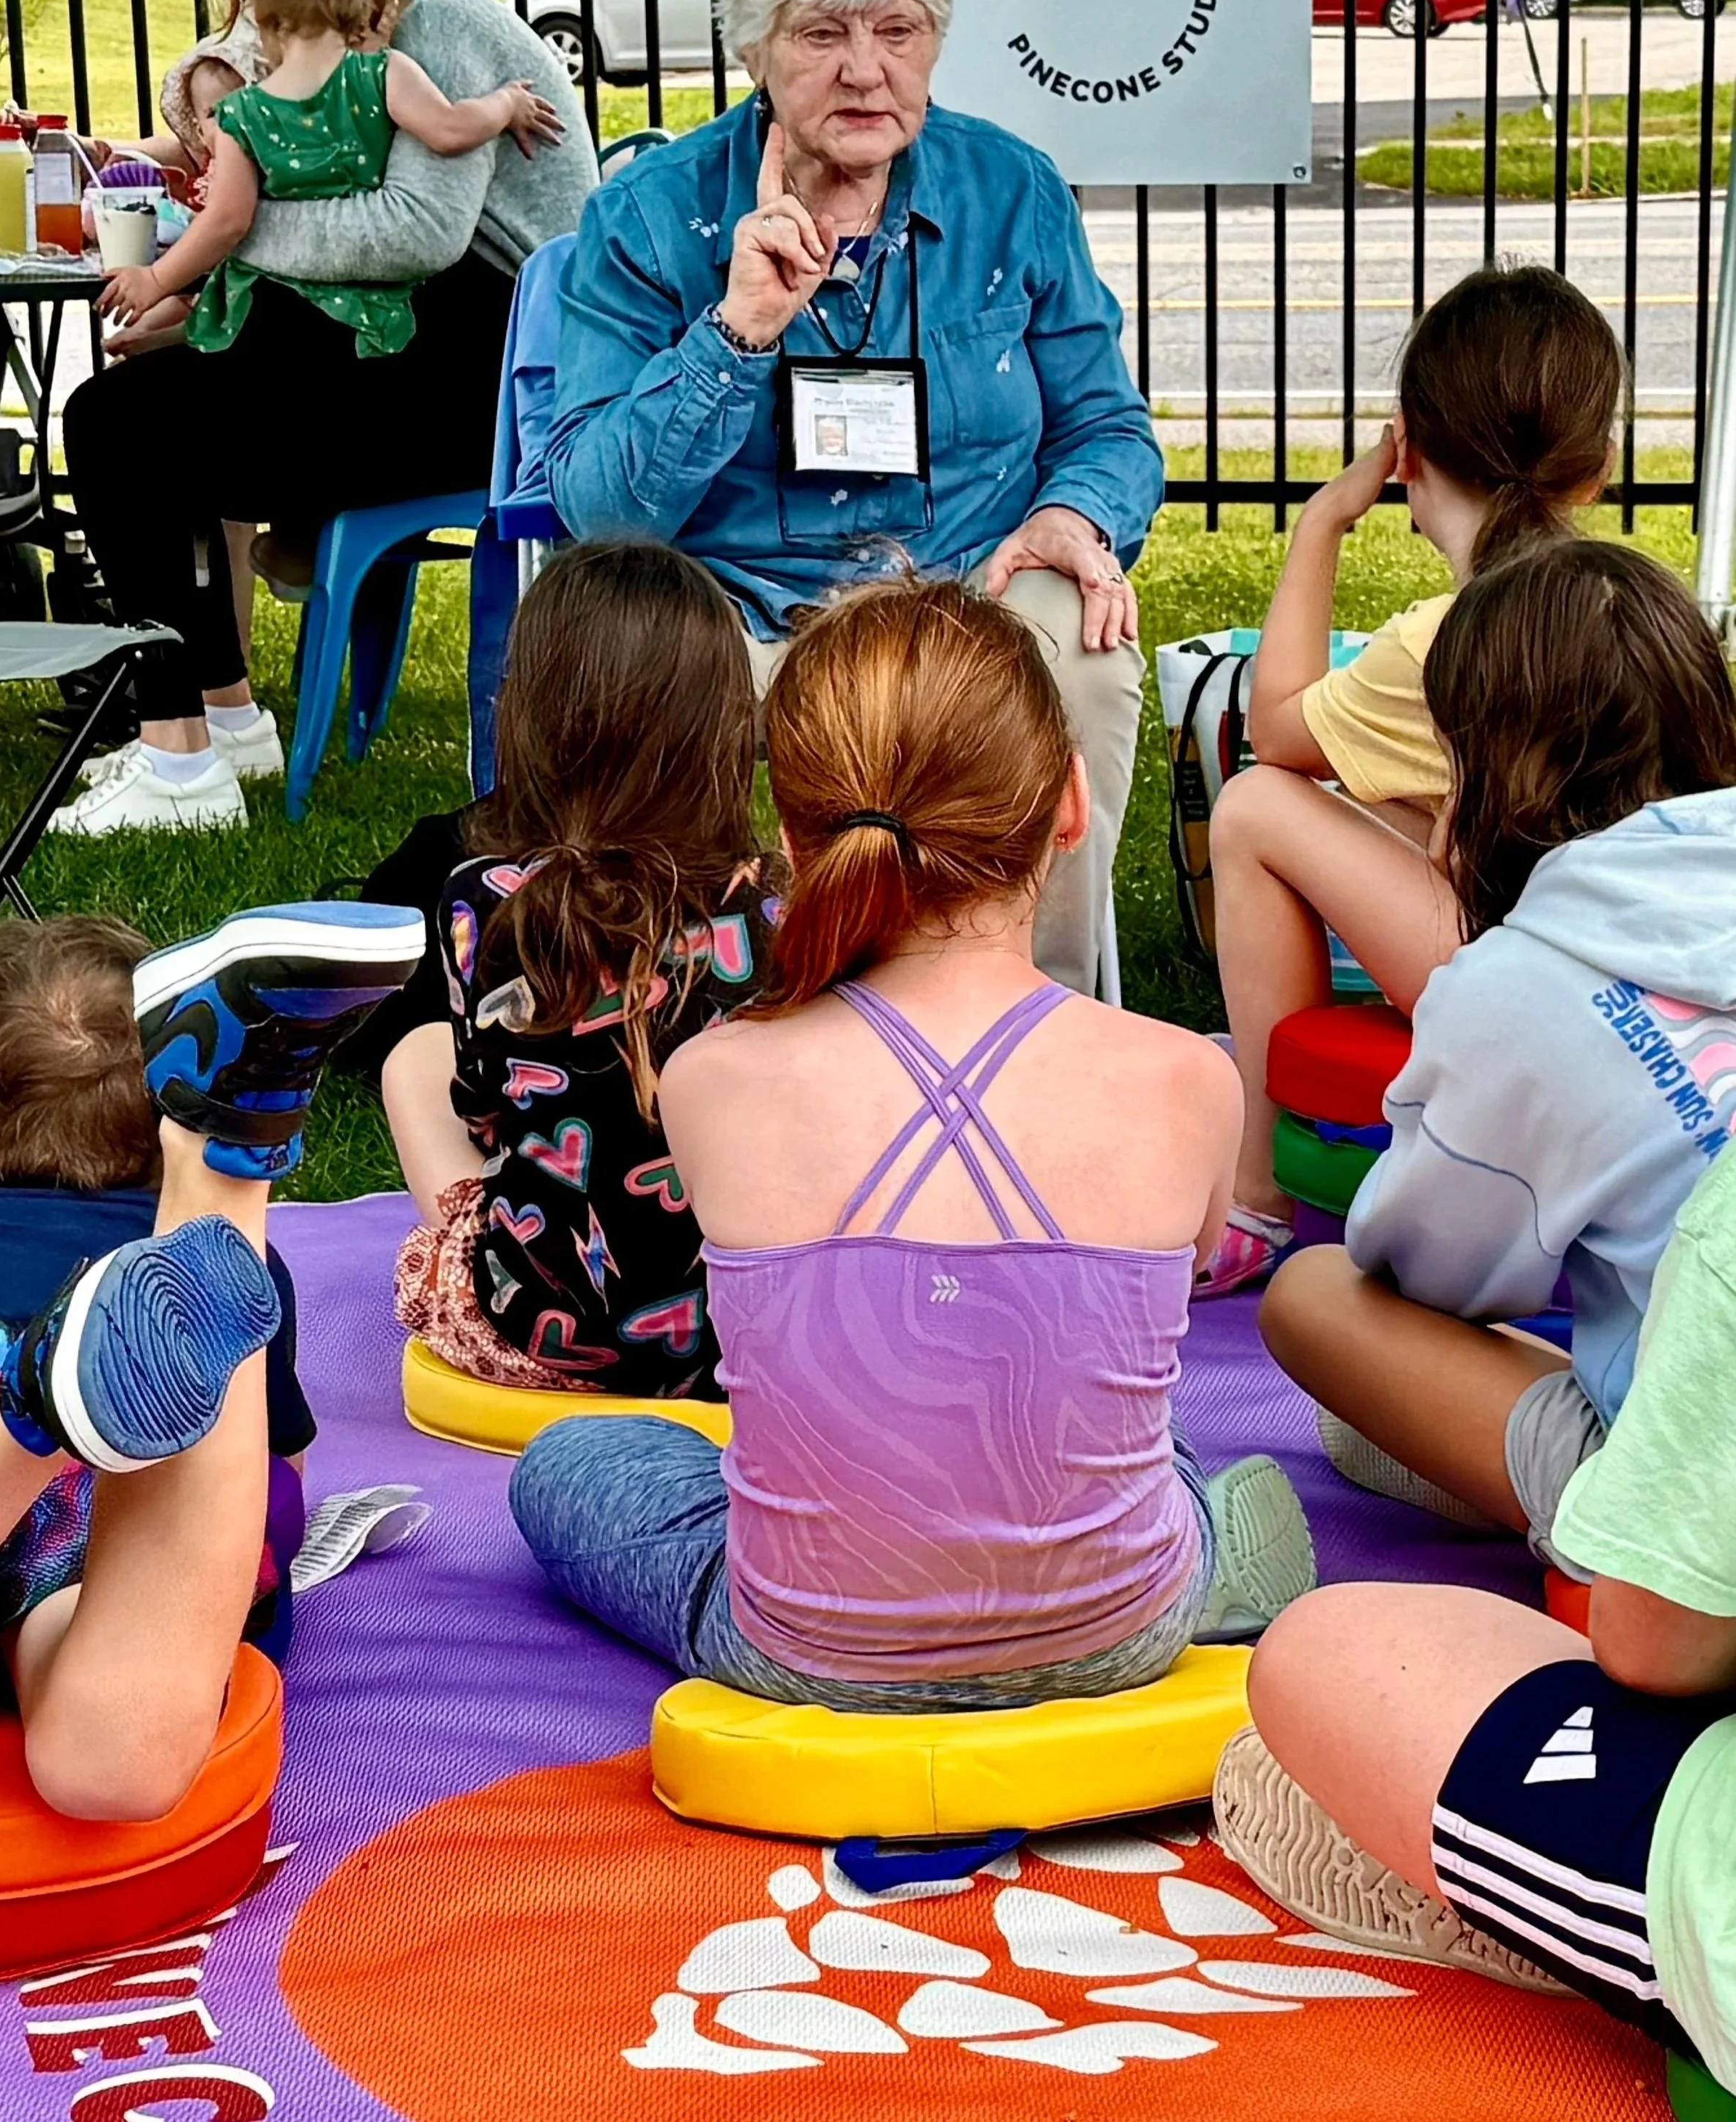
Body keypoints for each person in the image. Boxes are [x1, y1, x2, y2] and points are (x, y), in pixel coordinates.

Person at [510, 578, 1315, 1713]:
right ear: (1071, 805)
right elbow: (1157, 1289)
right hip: (1123, 1629)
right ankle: (1216, 1555)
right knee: (1145, 1419)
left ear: (794, 841)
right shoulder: (1193, 1079)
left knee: (568, 1467)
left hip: (808, 1653)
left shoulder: (708, 1081)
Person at [546, 0, 1161, 998]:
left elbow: (1110, 427)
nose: (867, 69)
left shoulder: (1013, 192)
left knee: (1078, 636)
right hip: (741, 615)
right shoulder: (647, 217)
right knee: (638, 653)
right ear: (752, 45)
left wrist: (1078, 514)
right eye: (824, 32)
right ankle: (714, 1027)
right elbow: (596, 512)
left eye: (899, 28)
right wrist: (735, 335)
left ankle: (1047, 1011)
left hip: (963, 601)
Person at [59, 0, 595, 837]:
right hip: (436, 343)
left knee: (119, 427)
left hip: (498, 371)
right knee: (139, 416)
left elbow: (413, 231)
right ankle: (220, 719)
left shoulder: (442, 26)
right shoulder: (377, 49)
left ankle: (181, 761)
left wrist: (229, 234)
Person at [1215, 1128, 1736, 2093]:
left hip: (1651, 1526)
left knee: (1318, 1644)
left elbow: (1414, 1250)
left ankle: (1509, 1894)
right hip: (1655, 1484)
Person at [1259, 538, 1736, 1565]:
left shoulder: (1517, 983)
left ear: (1474, 763)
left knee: (1313, 1298)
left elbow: (1427, 1275)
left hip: (1690, 1521)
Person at [0, 899, 421, 1816]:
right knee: (109, 1763)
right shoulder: (209, 1285)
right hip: (104, 1513)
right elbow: (285, 1468)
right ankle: (220, 1176)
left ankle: (26, 1408)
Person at [1200, 264, 1624, 1294]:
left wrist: (1321, 525)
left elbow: (1273, 732)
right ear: (1600, 465)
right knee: (1375, 792)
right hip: (1642, 975)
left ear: (1410, 451)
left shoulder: (1442, 641)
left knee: (1259, 805)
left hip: (1527, 976)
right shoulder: (1637, 611)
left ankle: (1255, 1193)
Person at [389, 541, 772, 1396]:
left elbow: (482, 1112)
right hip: (749, 1347)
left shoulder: (482, 899)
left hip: (540, 1336)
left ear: (529, 715)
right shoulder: (778, 904)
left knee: (411, 1057)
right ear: (726, 726)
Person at [97, 0, 549, 357]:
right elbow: (452, 130)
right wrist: (506, 102)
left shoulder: (241, 116)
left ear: (261, 12)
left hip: (271, 312)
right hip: (367, 313)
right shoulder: (384, 74)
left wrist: (155, 278)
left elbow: (226, 221)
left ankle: (164, 338)